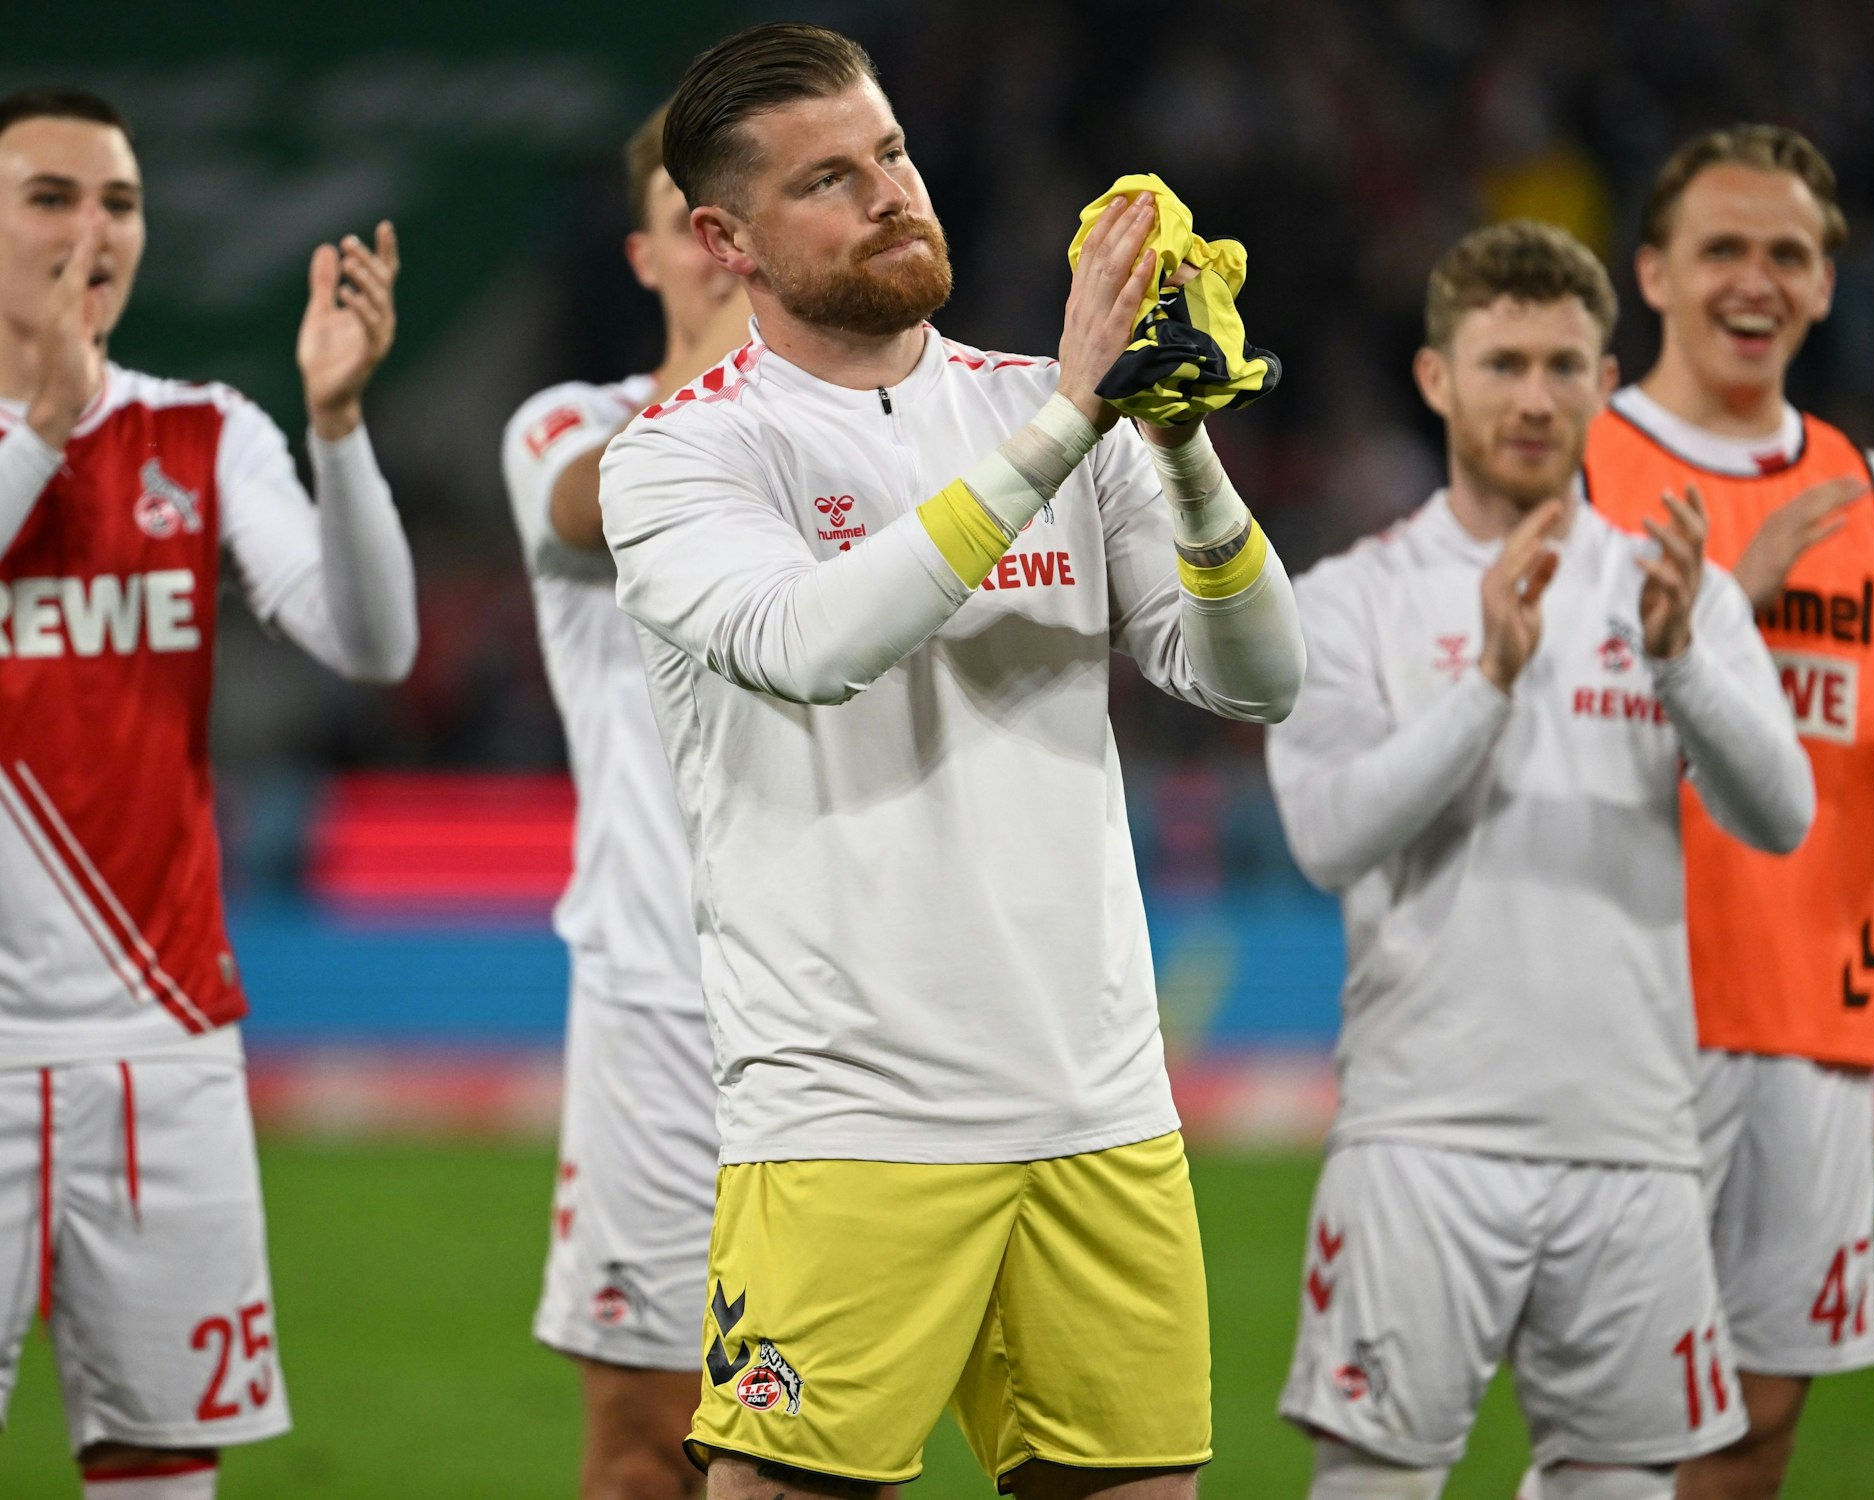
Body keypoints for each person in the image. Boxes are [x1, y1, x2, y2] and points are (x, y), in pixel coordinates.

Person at [597, 21, 1306, 1500]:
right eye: (829, 180)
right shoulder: (682, 457)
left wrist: (1180, 453)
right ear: (725, 241)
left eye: (895, 153)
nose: (891, 195)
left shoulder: (1050, 408)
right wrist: (1072, 420)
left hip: (1100, 1108)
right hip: (852, 1115)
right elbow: (809, 642)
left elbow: (1256, 676)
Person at [1267, 221, 1814, 1500]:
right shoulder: (1349, 600)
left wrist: (1678, 664)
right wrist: (1485, 688)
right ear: (1434, 377)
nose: (1532, 398)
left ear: (1604, 381)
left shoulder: (1674, 591)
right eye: (1502, 364)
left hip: (1632, 1142)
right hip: (1420, 1136)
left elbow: (1780, 816)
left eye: (1563, 366)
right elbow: (1325, 837)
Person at [0, 88, 415, 1497]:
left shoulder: (205, 432)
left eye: (118, 202)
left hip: (163, 1034)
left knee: (163, 1464)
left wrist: (337, 425)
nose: (94, 229)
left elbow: (373, 642)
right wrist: (43, 428)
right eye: (51, 197)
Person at [1581, 125, 1874, 1500]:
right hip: (1624, 1016)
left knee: (1754, 1436)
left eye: (1787, 253)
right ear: (1654, 273)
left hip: (1817, 1010)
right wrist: (1725, 611)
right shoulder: (1580, 464)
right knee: (1614, 1436)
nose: (1753, 280)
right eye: (1722, 248)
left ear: (1825, 283)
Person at [501, 102, 751, 1500]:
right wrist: (745, 363)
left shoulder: (871, 439)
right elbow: (584, 511)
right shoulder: (571, 425)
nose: (721, 250)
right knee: (645, 1451)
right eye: (691, 225)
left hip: (846, 1003)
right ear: (647, 255)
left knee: (836, 1452)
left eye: (741, 220)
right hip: (654, 1006)